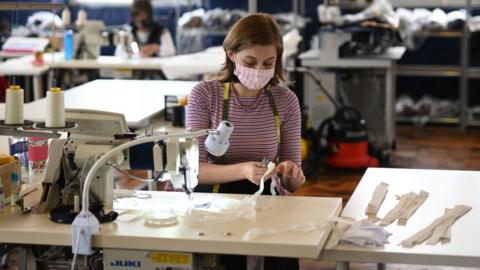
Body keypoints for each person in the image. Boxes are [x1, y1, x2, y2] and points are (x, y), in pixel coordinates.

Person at [186, 13, 305, 270]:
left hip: (265, 201)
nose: (259, 71)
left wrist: (293, 176)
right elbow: (192, 173)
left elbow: (290, 178)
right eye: (250, 62)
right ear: (231, 54)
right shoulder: (205, 96)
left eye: (268, 63)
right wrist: (242, 170)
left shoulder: (286, 101)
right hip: (214, 202)